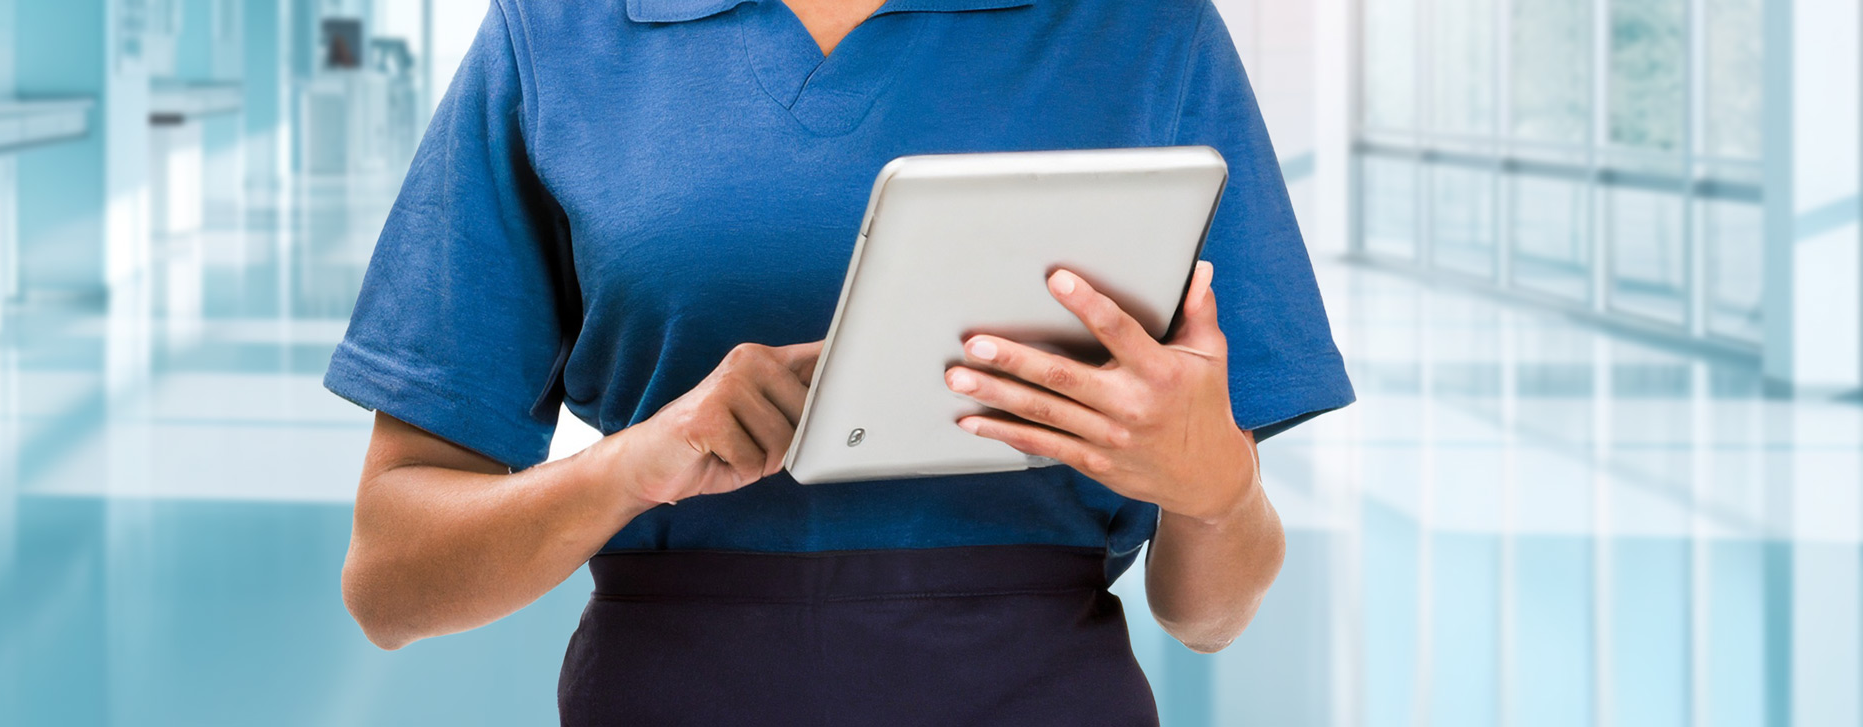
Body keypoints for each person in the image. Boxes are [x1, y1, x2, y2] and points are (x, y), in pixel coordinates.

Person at [324, 0, 1354, 723]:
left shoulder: (1144, 32)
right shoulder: (560, 34)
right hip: (666, 698)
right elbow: (391, 584)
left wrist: (1214, 492)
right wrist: (634, 463)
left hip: (1046, 695)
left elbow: (1208, 615)